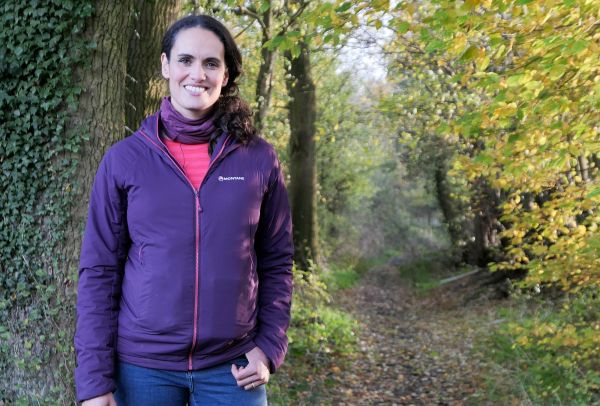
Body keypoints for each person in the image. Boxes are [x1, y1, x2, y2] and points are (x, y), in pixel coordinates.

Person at [74, 14, 293, 406]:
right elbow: (99, 272)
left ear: (226, 74)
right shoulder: (124, 160)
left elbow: (277, 260)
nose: (198, 73)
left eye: (211, 63)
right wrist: (95, 382)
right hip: (142, 369)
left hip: (233, 368)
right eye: (185, 60)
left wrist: (270, 346)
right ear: (165, 66)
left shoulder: (258, 159)